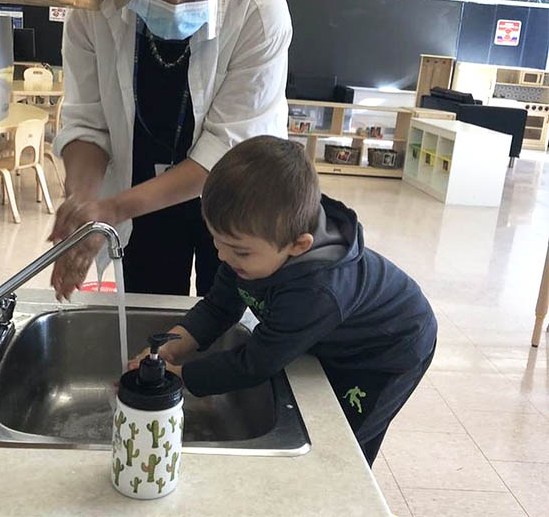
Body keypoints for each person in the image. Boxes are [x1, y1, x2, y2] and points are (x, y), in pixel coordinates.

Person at [49, 0, 291, 300]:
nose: (176, 2)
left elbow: (228, 149)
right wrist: (84, 205)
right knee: (151, 319)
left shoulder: (257, 5)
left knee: (227, 321)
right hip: (141, 190)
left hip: (239, 195)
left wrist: (112, 208)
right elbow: (88, 121)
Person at [130, 136, 437, 466]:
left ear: (298, 245)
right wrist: (175, 345)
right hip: (335, 332)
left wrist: (182, 377)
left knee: (342, 442)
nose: (222, 255)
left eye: (238, 251)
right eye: (217, 242)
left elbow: (256, 363)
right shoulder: (255, 245)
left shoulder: (317, 292)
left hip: (388, 350)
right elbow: (219, 306)